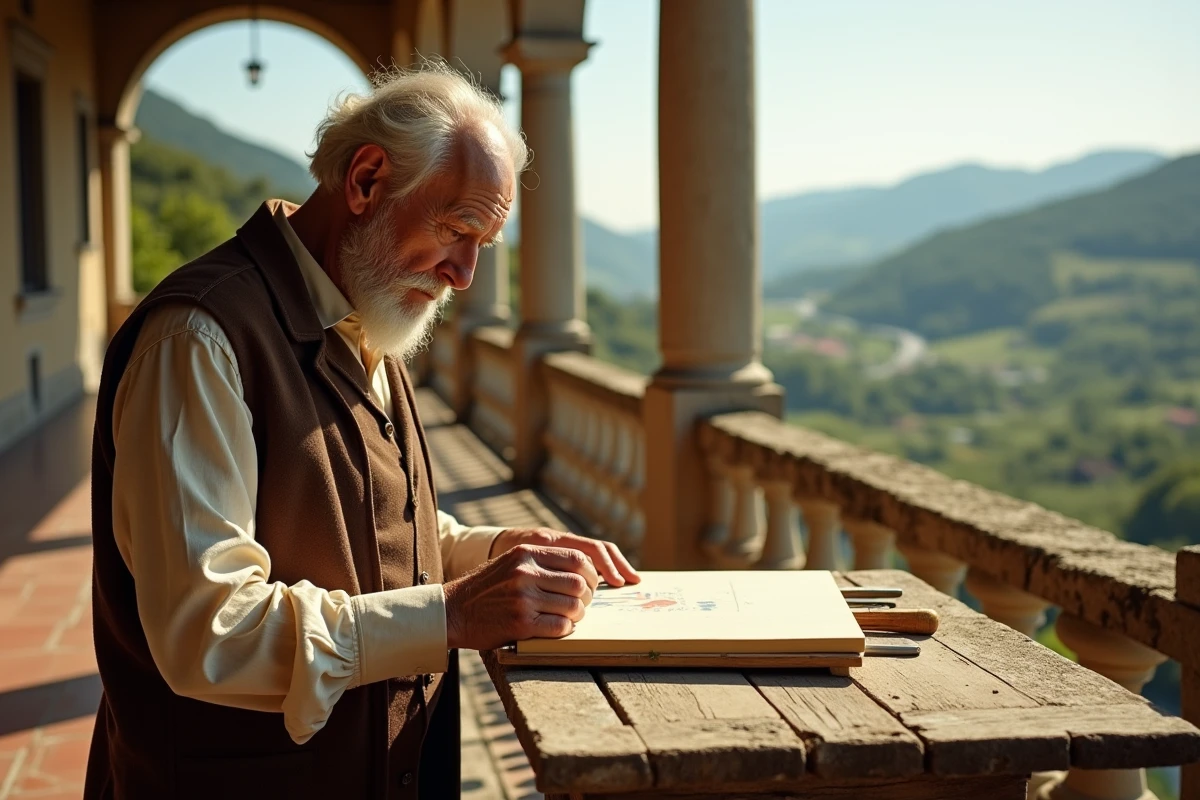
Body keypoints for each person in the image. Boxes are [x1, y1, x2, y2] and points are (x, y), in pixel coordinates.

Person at [84, 63, 639, 800]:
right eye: (457, 230)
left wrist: (503, 553)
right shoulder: (198, 339)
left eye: (485, 243)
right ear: (368, 180)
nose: (466, 275)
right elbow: (208, 630)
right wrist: (451, 613)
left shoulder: (368, 312)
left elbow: (374, 527)